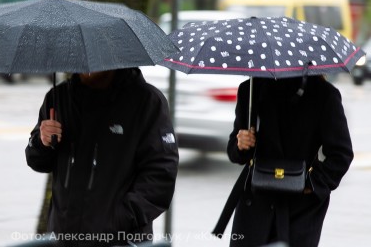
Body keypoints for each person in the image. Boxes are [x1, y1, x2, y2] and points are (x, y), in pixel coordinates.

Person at [25, 68, 179, 247]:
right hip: (63, 237)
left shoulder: (147, 101)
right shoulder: (58, 98)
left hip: (120, 241)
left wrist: (119, 218)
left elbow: (161, 174)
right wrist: (42, 141)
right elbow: (37, 161)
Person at [213, 75, 353, 247]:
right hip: (257, 199)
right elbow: (235, 153)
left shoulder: (324, 93)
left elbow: (341, 153)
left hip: (299, 206)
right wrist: (241, 143)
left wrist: (312, 184)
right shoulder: (250, 89)